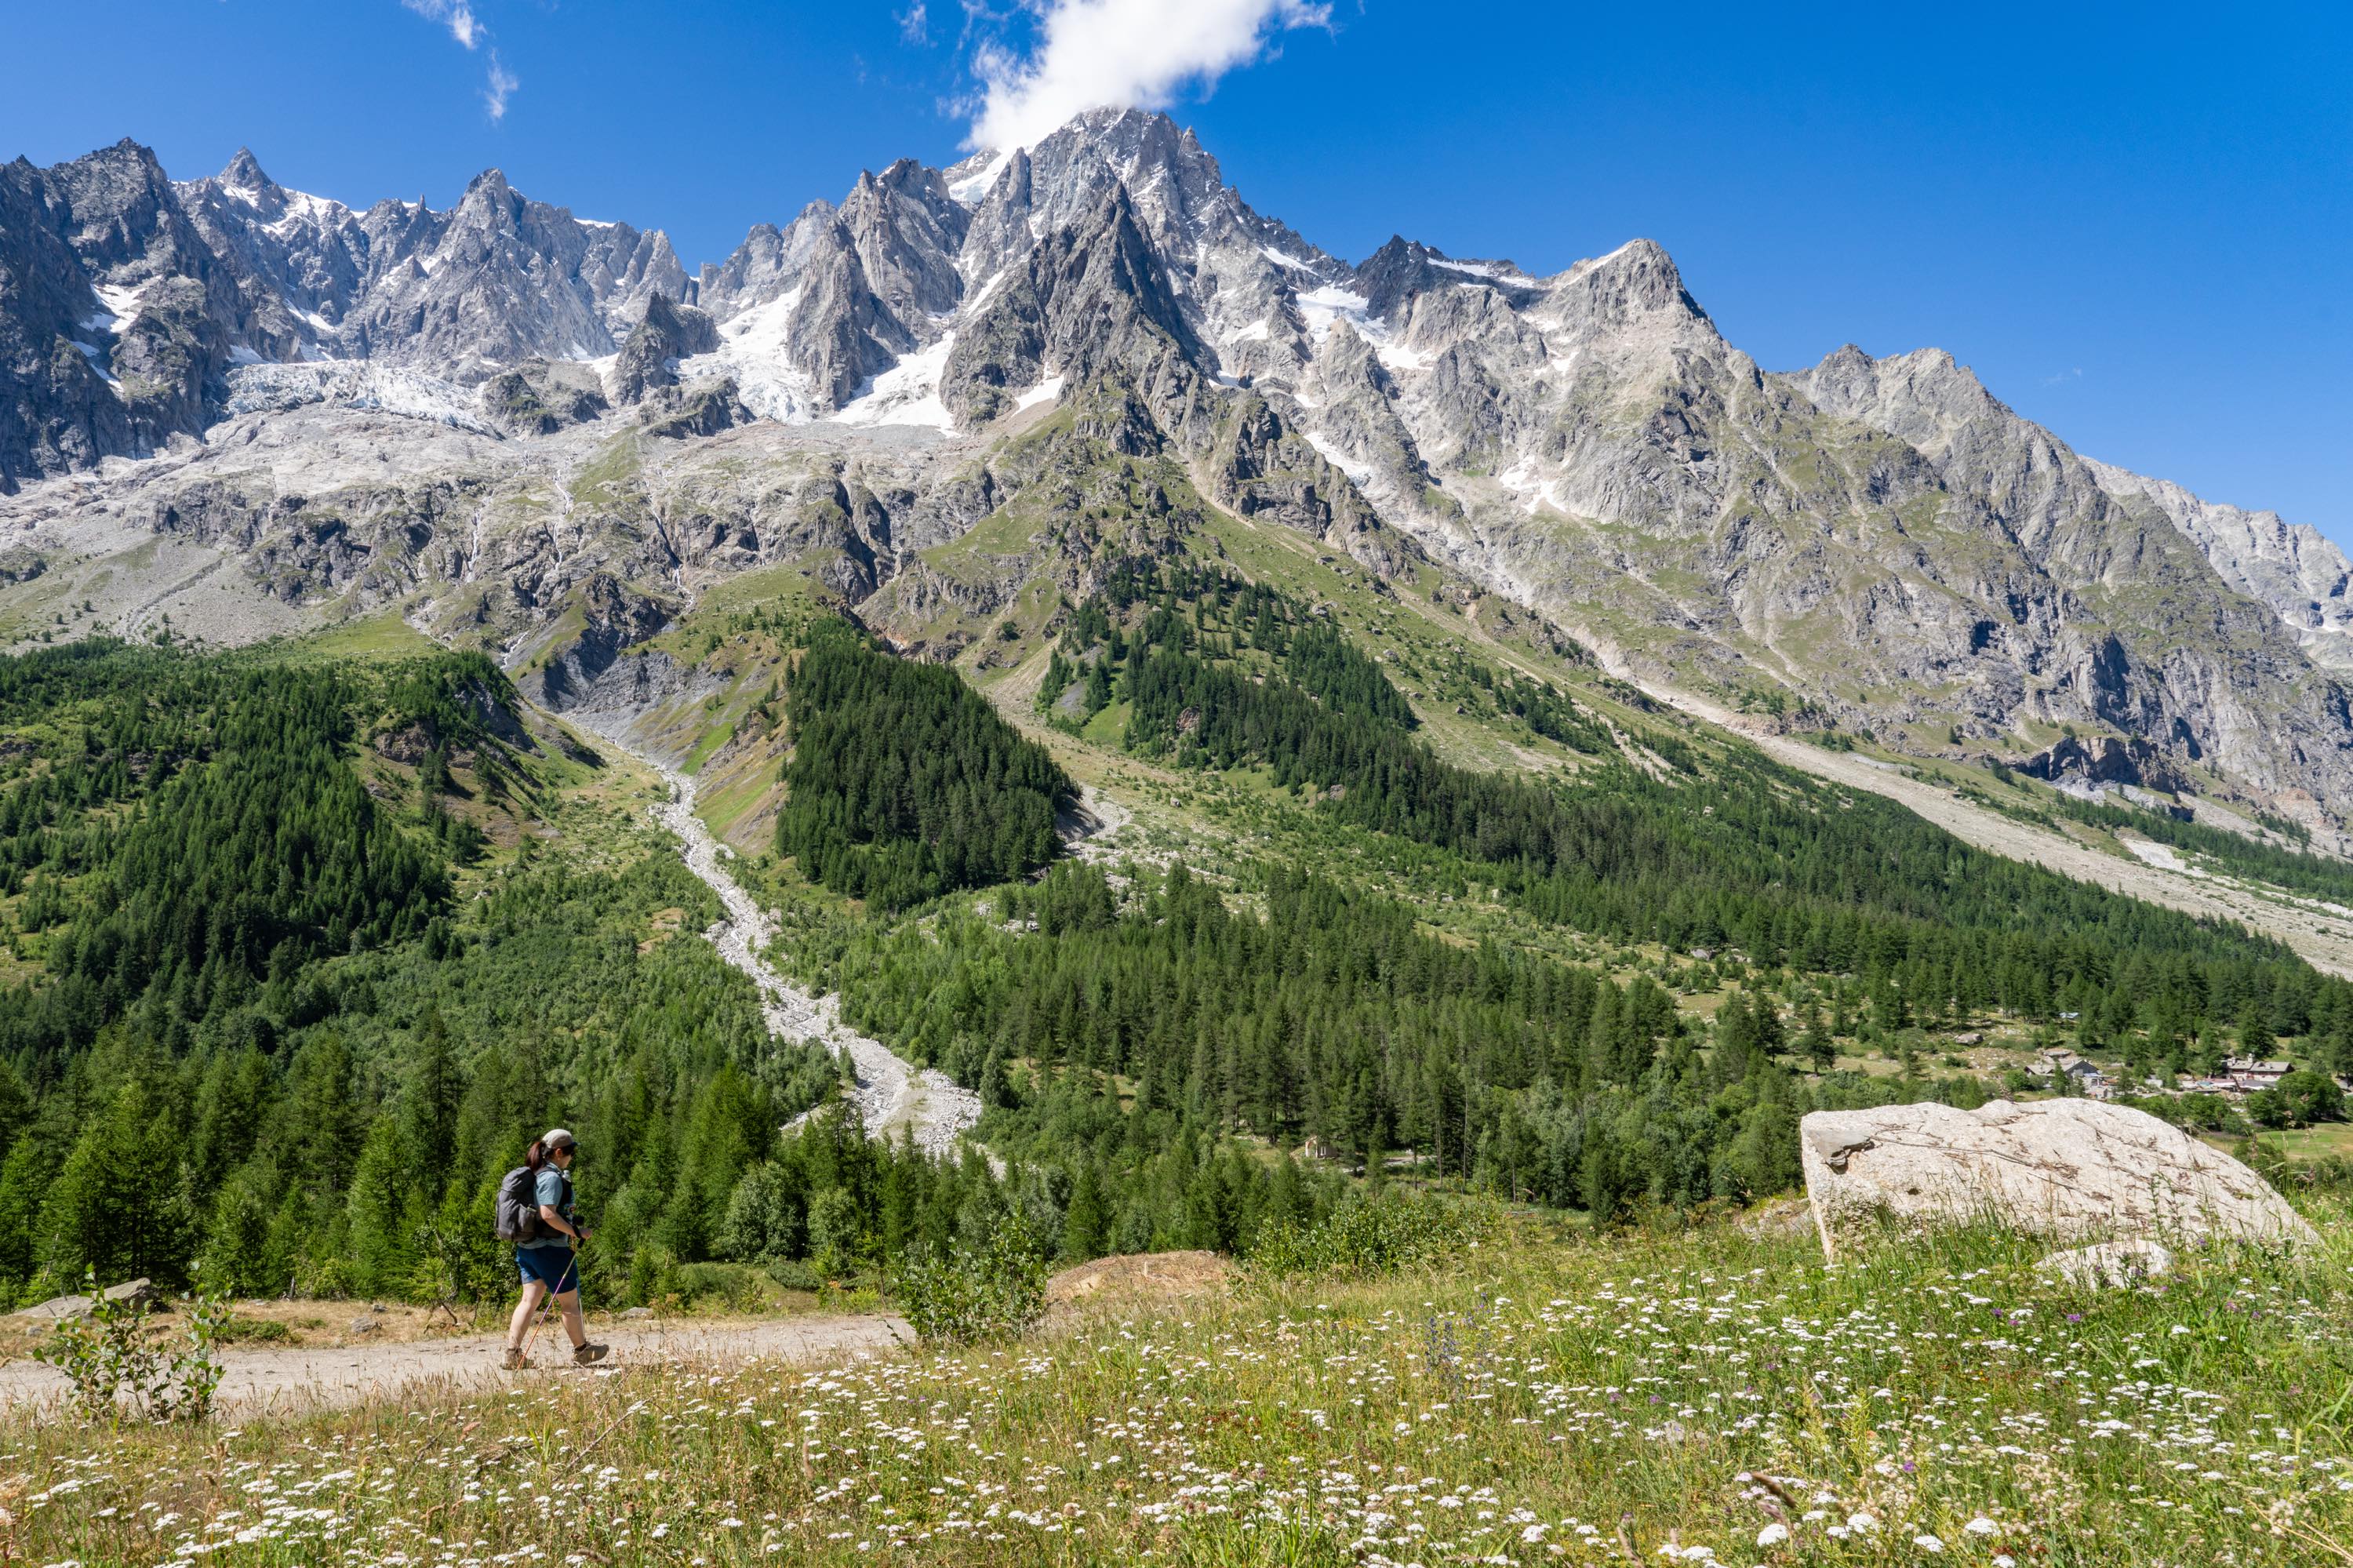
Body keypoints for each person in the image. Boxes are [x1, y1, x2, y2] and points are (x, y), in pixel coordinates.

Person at [504, 1129, 609, 1370]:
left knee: (529, 1301)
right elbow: (548, 1214)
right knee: (570, 1303)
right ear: (559, 1152)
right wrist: (577, 1232)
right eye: (571, 1152)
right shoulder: (551, 1177)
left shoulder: (534, 1173)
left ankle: (512, 1353)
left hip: (528, 1248)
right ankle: (582, 1351)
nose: (572, 1157)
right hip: (550, 1249)